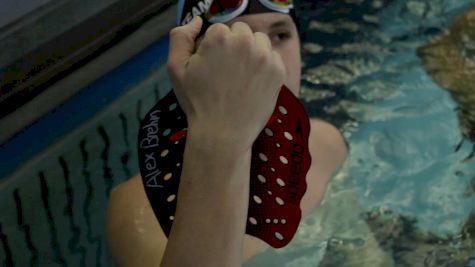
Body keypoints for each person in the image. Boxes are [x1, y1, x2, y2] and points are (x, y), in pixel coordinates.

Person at [106, 1, 348, 266]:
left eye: (280, 36)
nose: (266, 61)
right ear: (191, 65)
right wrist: (224, 135)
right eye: (237, 45)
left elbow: (359, 247)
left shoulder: (325, 143)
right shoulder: (140, 210)